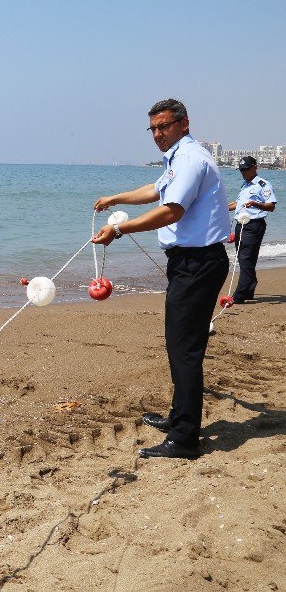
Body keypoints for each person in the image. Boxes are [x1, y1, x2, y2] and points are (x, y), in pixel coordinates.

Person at [91, 99, 230, 460]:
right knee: (179, 345)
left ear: (184, 124)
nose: (157, 134)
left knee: (184, 349)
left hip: (198, 263)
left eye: (164, 126)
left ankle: (185, 439)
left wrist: (118, 229)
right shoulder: (177, 159)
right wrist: (116, 198)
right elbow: (157, 191)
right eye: (152, 128)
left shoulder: (191, 159)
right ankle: (178, 417)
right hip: (188, 264)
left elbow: (172, 210)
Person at [228, 156, 276, 303]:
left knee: (246, 258)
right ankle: (249, 290)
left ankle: (240, 295)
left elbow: (271, 206)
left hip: (253, 225)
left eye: (246, 170)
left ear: (255, 167)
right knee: (244, 260)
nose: (243, 173)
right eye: (241, 170)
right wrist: (222, 208)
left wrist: (256, 204)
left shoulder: (263, 184)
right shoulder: (245, 185)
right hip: (240, 225)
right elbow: (238, 203)